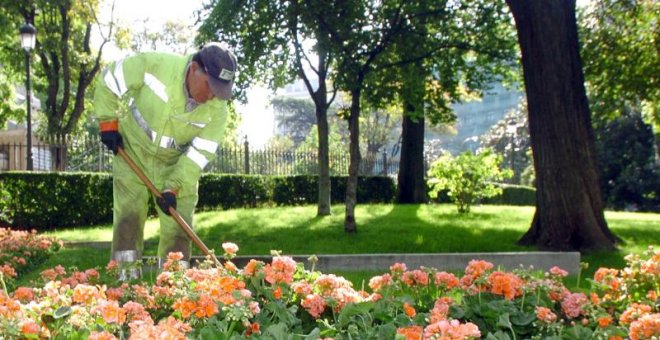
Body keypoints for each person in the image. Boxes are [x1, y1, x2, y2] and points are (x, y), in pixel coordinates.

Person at [94, 42, 237, 270]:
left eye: (220, 90)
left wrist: (174, 187)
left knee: (179, 233)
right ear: (193, 69)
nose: (212, 95)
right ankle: (124, 285)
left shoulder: (218, 110)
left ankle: (173, 291)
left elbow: (199, 155)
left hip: (176, 164)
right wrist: (108, 123)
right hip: (132, 150)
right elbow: (109, 80)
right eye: (210, 86)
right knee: (128, 220)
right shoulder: (154, 64)